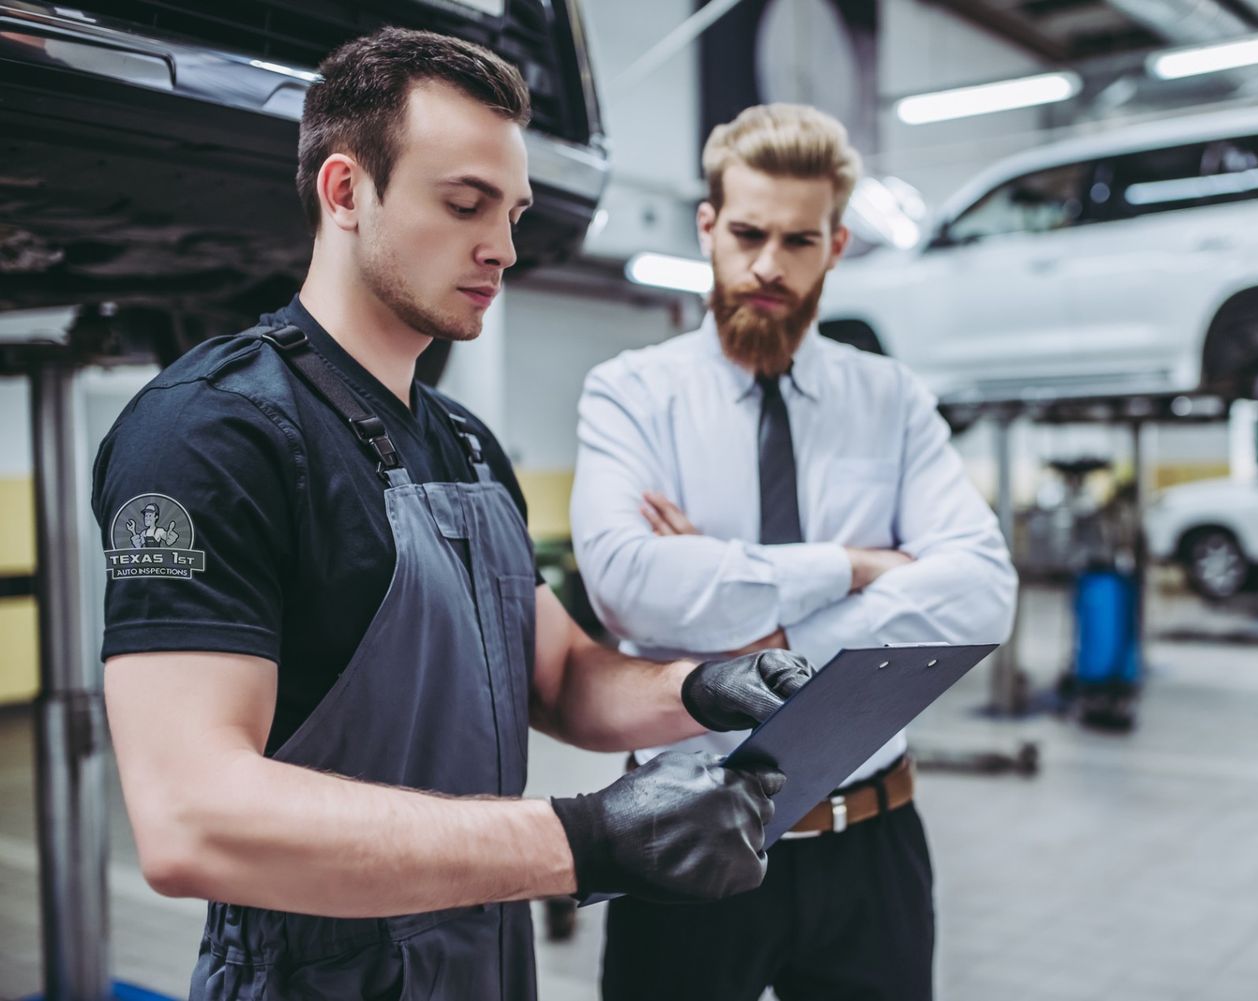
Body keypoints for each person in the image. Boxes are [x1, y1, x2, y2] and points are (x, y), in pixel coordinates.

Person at [93, 29, 812, 1000]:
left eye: (512, 213)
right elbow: (190, 817)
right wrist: (587, 837)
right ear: (344, 192)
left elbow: (559, 677)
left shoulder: (466, 442)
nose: (504, 247)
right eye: (466, 203)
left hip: (482, 956)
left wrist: (704, 685)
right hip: (317, 975)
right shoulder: (213, 432)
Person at [570, 103, 1019, 1001]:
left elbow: (981, 595)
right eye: (746, 233)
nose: (768, 266)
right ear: (708, 227)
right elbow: (628, 586)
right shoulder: (630, 394)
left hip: (871, 840)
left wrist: (734, 611)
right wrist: (856, 564)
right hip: (687, 830)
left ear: (837, 246)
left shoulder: (890, 399)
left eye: (798, 241)